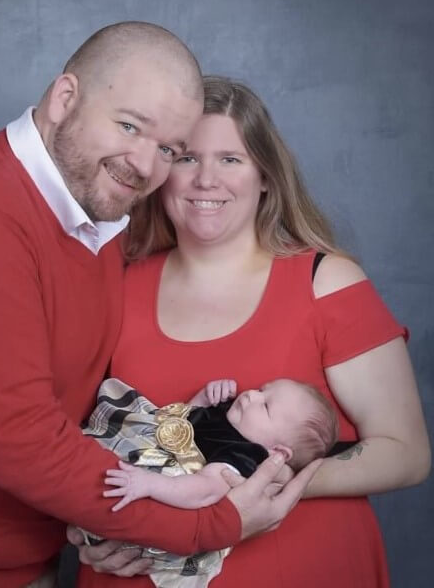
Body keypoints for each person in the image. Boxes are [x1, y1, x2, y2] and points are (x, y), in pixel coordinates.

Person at [0, 25, 319, 588]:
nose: (144, 165)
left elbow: (77, 414)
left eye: (168, 149)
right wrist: (211, 524)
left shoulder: (97, 222)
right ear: (64, 99)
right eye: (129, 126)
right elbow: (22, 444)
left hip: (21, 560)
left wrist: (110, 525)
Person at [72, 77, 431, 588]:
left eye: (230, 159)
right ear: (160, 173)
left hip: (305, 570)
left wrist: (262, 483)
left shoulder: (326, 281)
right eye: (187, 158)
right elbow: (66, 441)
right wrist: (88, 531)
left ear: (265, 175)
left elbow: (406, 451)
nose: (206, 180)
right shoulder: (113, 283)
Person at [80, 377, 338, 588]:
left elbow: (203, 490)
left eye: (266, 407)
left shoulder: (241, 456)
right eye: (262, 390)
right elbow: (186, 424)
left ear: (277, 452)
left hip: (166, 489)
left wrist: (149, 484)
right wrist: (204, 398)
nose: (251, 395)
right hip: (157, 443)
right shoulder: (232, 418)